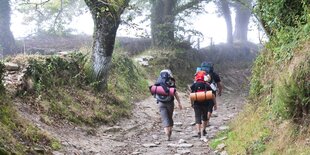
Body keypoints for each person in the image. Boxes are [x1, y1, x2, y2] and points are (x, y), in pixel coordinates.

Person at [154, 69, 182, 141]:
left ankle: (167, 134)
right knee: (169, 117)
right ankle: (170, 132)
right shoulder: (171, 81)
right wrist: (179, 102)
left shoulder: (158, 81)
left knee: (164, 118)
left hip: (160, 103)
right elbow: (175, 93)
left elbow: (154, 92)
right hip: (170, 103)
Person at [190, 70, 216, 138]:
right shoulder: (207, 85)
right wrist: (215, 104)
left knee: (197, 117)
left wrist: (192, 103)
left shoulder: (194, 85)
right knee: (204, 117)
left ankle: (198, 132)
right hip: (205, 103)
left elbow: (191, 95)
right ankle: (203, 130)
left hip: (196, 104)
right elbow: (212, 95)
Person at [200, 62, 223, 127]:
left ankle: (203, 121)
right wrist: (220, 91)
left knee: (202, 106)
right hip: (211, 92)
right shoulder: (214, 74)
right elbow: (219, 84)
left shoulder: (199, 74)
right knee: (210, 107)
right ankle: (206, 122)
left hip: (200, 92)